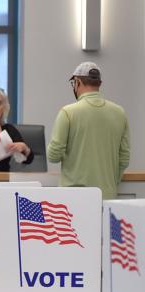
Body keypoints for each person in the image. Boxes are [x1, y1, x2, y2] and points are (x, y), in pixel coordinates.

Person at [47, 62, 130, 200]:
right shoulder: (119, 113)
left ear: (77, 82)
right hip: (107, 195)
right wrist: (111, 183)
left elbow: (53, 156)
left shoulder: (67, 112)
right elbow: (124, 158)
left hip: (73, 196)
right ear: (100, 83)